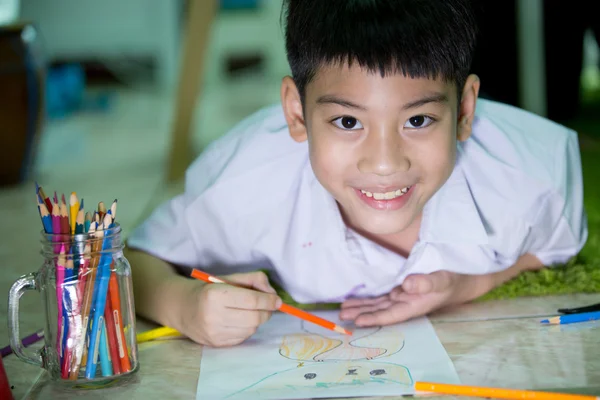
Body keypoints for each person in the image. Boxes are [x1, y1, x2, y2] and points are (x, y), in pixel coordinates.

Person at [126, 0, 587, 347]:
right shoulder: (241, 188)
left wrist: (467, 284)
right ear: (297, 113)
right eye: (348, 122)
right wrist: (182, 306)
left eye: (418, 120)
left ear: (465, 109)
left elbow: (557, 246)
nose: (384, 163)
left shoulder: (533, 181)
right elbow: (134, 258)